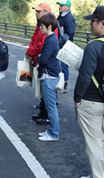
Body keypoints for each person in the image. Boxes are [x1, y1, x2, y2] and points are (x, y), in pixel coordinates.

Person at [75, 6, 104, 178]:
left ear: (102, 23)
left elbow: (85, 75)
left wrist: (77, 98)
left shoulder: (94, 46)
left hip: (90, 100)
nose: (90, 24)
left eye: (93, 21)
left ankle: (98, 176)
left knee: (93, 144)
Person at [26, 3, 58, 125]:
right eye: (36, 11)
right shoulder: (40, 26)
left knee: (46, 91)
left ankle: (46, 116)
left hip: (47, 69)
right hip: (41, 64)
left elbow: (41, 46)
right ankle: (43, 113)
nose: (36, 13)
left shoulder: (49, 32)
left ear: (46, 12)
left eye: (39, 12)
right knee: (43, 91)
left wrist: (31, 53)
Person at [37, 13, 61, 142]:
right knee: (50, 105)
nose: (40, 28)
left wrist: (39, 58)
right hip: (51, 74)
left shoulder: (51, 40)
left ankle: (53, 133)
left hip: (49, 76)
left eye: (42, 26)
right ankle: (51, 130)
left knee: (51, 106)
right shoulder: (52, 39)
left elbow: (44, 59)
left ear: (49, 26)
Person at [56, 0, 76, 93]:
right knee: (59, 64)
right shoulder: (60, 16)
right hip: (60, 43)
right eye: (60, 5)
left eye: (62, 5)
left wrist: (63, 38)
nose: (60, 7)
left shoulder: (69, 18)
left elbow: (71, 33)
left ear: (67, 7)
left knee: (64, 65)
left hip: (65, 45)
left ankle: (65, 85)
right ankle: (60, 83)